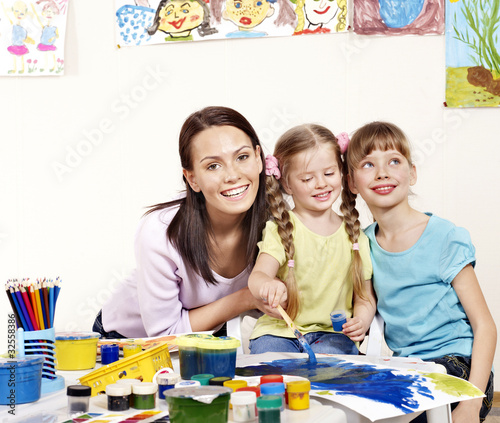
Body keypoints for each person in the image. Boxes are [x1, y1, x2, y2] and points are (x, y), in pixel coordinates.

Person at [345, 121, 496, 423]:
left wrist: (472, 401)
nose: (382, 172)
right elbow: (368, 299)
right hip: (409, 368)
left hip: (460, 367)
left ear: (412, 173)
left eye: (394, 161)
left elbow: (485, 326)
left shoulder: (444, 237)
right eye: (368, 164)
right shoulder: (363, 243)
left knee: (412, 404)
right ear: (351, 183)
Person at [93, 106, 275, 338]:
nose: (232, 175)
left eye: (242, 157)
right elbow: (164, 335)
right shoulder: (160, 232)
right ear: (192, 179)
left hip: (206, 335)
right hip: (128, 341)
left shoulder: (276, 221)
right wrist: (247, 298)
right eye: (213, 166)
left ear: (259, 158)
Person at [247, 124, 376, 355]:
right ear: (287, 184)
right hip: (280, 331)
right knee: (273, 370)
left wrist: (362, 321)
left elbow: (364, 296)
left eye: (329, 173)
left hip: (334, 335)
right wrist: (268, 285)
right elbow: (258, 276)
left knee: (329, 376)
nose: (321, 184)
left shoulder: (355, 235)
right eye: (307, 178)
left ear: (341, 173)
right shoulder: (280, 229)